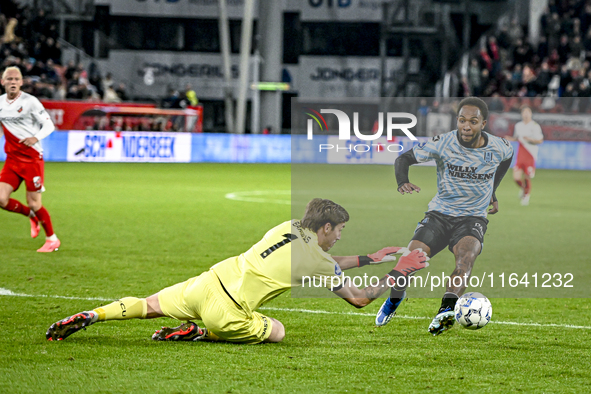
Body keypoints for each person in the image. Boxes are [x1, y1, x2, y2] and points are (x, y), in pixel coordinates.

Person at [46, 198, 429, 343]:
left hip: (208, 280)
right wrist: (400, 268)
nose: (340, 238)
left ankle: (95, 314)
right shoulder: (320, 261)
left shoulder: (290, 225)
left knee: (148, 305)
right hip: (226, 312)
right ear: (326, 228)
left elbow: (320, 265)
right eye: (340, 231)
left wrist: (368, 258)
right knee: (278, 332)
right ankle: (201, 333)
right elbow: (361, 299)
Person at [375, 97, 514, 335]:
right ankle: (395, 300)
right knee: (407, 263)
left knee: (465, 260)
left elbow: (505, 161)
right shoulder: (443, 143)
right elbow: (404, 159)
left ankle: (445, 312)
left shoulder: (500, 147)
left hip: (473, 219)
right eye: (461, 120)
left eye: (473, 121)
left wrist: (492, 192)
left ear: (483, 123)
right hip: (439, 215)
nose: (466, 126)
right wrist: (403, 181)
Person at [0, 66, 60, 252]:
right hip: (12, 159)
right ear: (2, 82)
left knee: (35, 202)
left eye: (16, 79)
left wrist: (36, 137)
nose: (13, 82)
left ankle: (52, 239)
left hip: (31, 159)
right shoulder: (0, 102)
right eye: (9, 79)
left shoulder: (30, 102)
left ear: (21, 82)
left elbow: (49, 126)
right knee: (1, 199)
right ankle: (30, 215)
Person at [504, 106, 544, 206]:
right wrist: (510, 139)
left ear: (531, 114)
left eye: (527, 112)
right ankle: (523, 189)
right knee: (516, 177)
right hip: (521, 153)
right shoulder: (518, 125)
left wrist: (529, 139)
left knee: (527, 176)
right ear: (521, 114)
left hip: (530, 154)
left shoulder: (535, 126)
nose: (526, 114)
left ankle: (526, 196)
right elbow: (518, 138)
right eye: (524, 112)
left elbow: (540, 140)